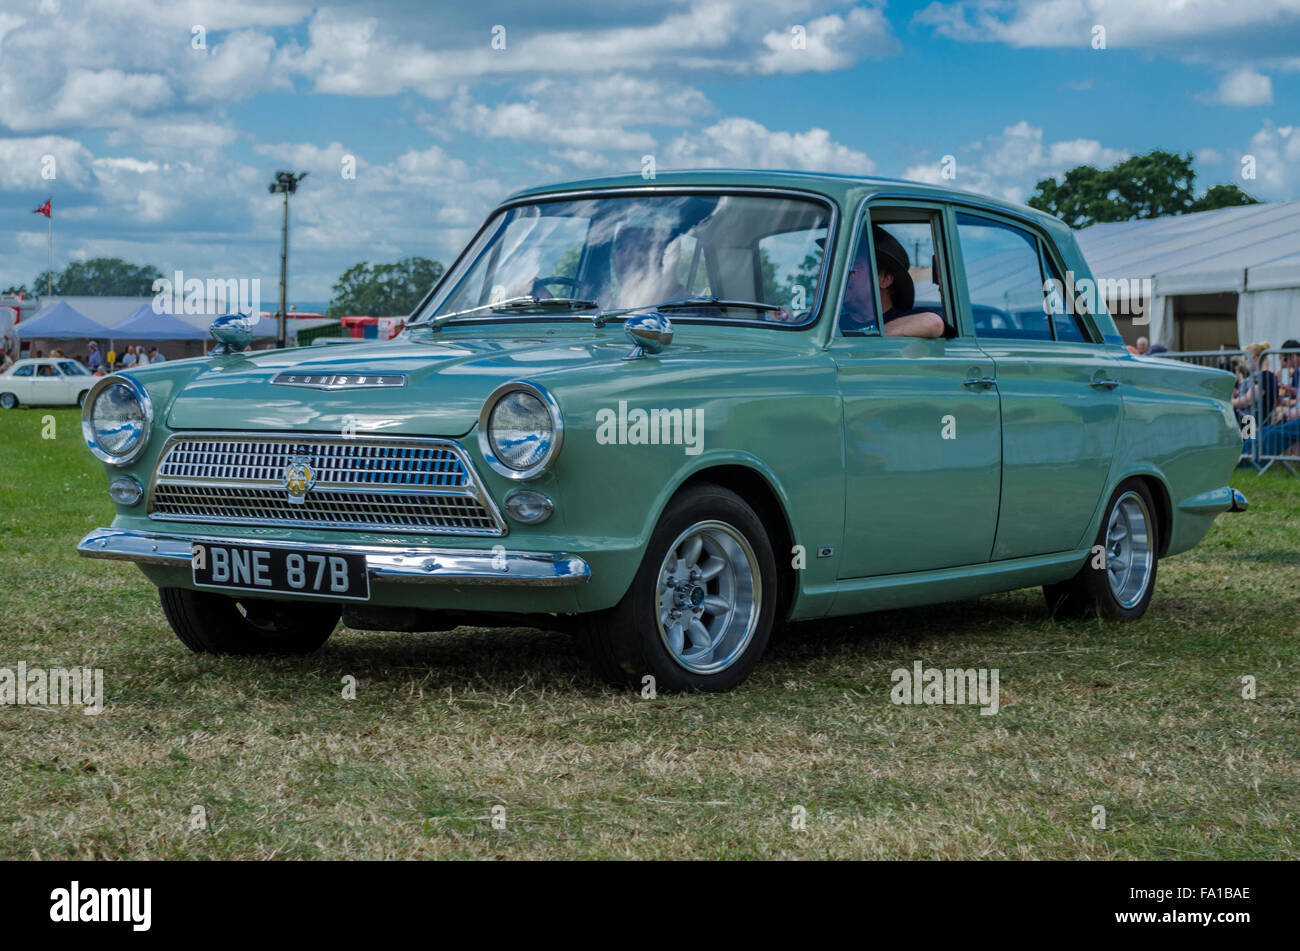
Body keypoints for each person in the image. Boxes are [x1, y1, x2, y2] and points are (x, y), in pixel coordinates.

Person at [840, 226, 945, 338]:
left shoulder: (908, 318)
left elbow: (934, 323)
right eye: (841, 269)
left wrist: (872, 335)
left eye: (854, 267)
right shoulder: (832, 324)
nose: (843, 275)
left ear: (885, 280)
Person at [1232, 341, 1277, 427]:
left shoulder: (1265, 375)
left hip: (1252, 423)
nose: (1245, 363)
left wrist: (1229, 402)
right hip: (1249, 420)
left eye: (1246, 359)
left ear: (1254, 358)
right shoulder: (1263, 375)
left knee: (1248, 440)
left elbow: (1248, 400)